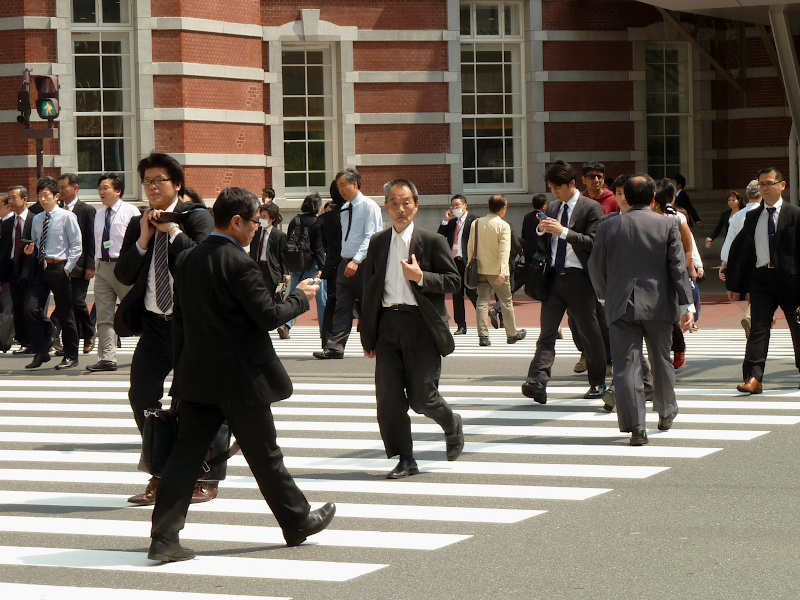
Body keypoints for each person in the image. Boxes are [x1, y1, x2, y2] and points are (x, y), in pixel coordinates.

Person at [147, 186, 334, 562]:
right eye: (253, 222)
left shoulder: (187, 260)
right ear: (236, 222)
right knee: (266, 454)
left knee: (185, 458)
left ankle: (164, 538)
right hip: (241, 378)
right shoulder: (238, 262)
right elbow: (267, 315)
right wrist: (301, 296)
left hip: (198, 376)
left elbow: (179, 325)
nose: (255, 229)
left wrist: (179, 378)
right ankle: (297, 521)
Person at [114, 152, 215, 505]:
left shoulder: (196, 218)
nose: (153, 187)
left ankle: (204, 476)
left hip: (190, 327)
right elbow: (123, 275)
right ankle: (163, 471)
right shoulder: (137, 222)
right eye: (147, 181)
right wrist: (143, 238)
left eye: (160, 180)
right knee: (141, 396)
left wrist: (171, 231)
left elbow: (202, 263)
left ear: (177, 184)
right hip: (155, 326)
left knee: (195, 403)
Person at [360, 178, 464, 479]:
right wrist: (368, 335)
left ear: (416, 206)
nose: (400, 208)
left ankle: (451, 423)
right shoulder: (379, 242)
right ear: (386, 208)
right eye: (394, 203)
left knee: (423, 399)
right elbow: (369, 290)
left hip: (422, 326)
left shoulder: (432, 241)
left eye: (406, 202)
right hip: (388, 325)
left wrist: (421, 277)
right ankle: (406, 459)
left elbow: (454, 281)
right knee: (389, 399)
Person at [588, 174, 693, 445]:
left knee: (626, 366)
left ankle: (636, 426)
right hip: (659, 303)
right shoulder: (667, 224)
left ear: (627, 196)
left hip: (620, 304)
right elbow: (677, 268)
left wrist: (604, 294)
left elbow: (595, 266)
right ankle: (666, 411)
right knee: (661, 360)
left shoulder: (608, 226)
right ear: (652, 197)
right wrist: (687, 303)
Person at [522, 159, 606, 405]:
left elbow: (594, 242)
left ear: (572, 183)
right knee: (547, 332)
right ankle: (537, 381)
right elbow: (544, 244)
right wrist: (542, 231)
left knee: (590, 333)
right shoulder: (553, 207)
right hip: (554, 279)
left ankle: (598, 382)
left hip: (580, 279)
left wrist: (564, 232)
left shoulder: (591, 207)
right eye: (551, 187)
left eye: (558, 187)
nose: (554, 192)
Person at [725, 166, 800, 394]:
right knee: (758, 329)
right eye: (762, 184)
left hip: (791, 281)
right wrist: (734, 283)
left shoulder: (795, 214)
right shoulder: (753, 215)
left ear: (782, 185)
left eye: (769, 183)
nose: (765, 188)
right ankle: (754, 378)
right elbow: (742, 251)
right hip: (761, 280)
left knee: (797, 328)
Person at [313, 168, 382, 359]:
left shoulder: (369, 206)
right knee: (342, 305)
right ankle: (335, 347)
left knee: (369, 305)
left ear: (355, 184)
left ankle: (373, 344)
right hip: (345, 262)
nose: (341, 190)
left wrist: (357, 260)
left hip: (364, 263)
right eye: (338, 186)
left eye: (343, 185)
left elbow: (372, 236)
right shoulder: (344, 209)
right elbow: (346, 237)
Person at [22, 176, 82, 370]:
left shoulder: (67, 216)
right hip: (41, 268)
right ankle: (41, 351)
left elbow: (76, 246)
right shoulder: (37, 219)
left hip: (59, 267)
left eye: (46, 195)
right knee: (30, 309)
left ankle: (72, 355)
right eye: (39, 195)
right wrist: (30, 251)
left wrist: (67, 268)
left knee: (65, 313)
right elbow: (35, 243)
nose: (42, 199)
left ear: (56, 196)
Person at [85, 173, 140, 372]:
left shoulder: (130, 211)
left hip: (124, 266)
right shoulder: (99, 214)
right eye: (100, 188)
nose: (101, 191)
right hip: (102, 267)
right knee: (104, 314)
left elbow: (138, 240)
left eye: (106, 188)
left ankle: (150, 352)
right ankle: (107, 358)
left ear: (118, 190)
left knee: (136, 311)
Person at [468, 194, 526, 347]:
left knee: (482, 301)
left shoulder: (476, 223)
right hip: (498, 270)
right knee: (506, 301)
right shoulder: (503, 225)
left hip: (480, 268)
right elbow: (504, 250)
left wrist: (470, 265)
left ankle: (483, 336)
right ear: (503, 208)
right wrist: (503, 270)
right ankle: (512, 334)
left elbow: (470, 246)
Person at [651, 182, 696, 368]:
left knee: (670, 317)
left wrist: (682, 270)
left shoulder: (677, 218)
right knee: (655, 319)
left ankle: (678, 347)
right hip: (652, 276)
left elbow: (688, 247)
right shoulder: (645, 219)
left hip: (673, 274)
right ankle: (657, 359)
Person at [720, 180, 762, 338]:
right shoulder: (765, 213)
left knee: (754, 293)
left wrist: (724, 264)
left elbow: (730, 242)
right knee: (764, 295)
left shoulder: (737, 216)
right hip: (762, 261)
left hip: (743, 263)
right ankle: (753, 318)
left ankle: (754, 319)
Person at [284, 192, 326, 340]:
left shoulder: (294, 220)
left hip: (296, 263)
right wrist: (322, 267)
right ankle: (324, 330)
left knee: (293, 295)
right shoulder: (317, 223)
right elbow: (319, 247)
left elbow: (288, 241)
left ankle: (286, 324)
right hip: (313, 264)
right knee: (321, 299)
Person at [0, 187, 36, 354]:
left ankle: (45, 335)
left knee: (31, 308)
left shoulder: (34, 220)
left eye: (14, 198)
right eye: (9, 199)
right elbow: (4, 250)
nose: (11, 202)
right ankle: (25, 342)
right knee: (18, 308)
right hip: (13, 271)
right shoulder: (7, 224)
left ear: (25, 199)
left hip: (31, 271)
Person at [437, 194, 478, 335]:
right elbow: (440, 237)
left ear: (465, 205)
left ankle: (483, 318)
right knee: (457, 294)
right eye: (453, 205)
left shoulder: (474, 221)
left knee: (472, 292)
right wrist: (445, 220)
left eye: (457, 205)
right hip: (454, 262)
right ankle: (461, 325)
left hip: (469, 262)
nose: (455, 208)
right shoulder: (452, 222)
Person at [249, 202, 290, 329]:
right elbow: (252, 249)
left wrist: (286, 273)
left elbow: (283, 255)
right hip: (257, 267)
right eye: (260, 216)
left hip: (272, 269)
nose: (261, 219)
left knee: (270, 296)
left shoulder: (279, 235)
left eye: (265, 216)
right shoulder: (256, 232)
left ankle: (273, 322)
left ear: (272, 219)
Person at [318, 180, 345, 349]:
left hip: (333, 264)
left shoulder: (323, 219)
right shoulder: (355, 213)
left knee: (332, 303)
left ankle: (327, 342)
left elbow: (325, 246)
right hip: (354, 264)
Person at [0, 193, 12, 315]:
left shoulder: (10, 223)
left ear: (8, 206)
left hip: (7, 276)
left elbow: (5, 252)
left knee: (6, 311)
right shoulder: (2, 222)